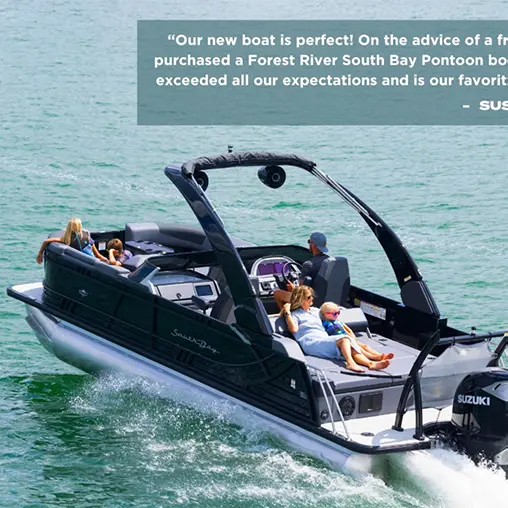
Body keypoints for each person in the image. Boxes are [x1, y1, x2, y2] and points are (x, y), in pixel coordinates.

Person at [281, 286, 390, 372]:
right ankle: (350, 363)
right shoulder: (295, 315)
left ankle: (370, 363)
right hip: (311, 343)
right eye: (309, 297)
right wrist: (287, 312)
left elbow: (329, 315)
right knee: (344, 339)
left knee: (350, 344)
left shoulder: (315, 311)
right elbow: (294, 329)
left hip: (324, 339)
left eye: (311, 296)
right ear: (301, 300)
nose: (312, 299)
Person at [319, 301, 394, 363]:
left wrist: (353, 337)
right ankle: (374, 357)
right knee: (358, 348)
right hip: (340, 340)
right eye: (334, 314)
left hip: (348, 337)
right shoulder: (325, 324)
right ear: (325, 314)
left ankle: (380, 355)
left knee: (365, 346)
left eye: (338, 313)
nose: (337, 315)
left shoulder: (338, 322)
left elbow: (347, 329)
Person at [274, 231, 330, 309]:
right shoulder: (330, 262)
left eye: (309, 242)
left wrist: (292, 288)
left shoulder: (308, 265)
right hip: (327, 298)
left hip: (309, 300)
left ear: (313, 245)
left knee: (277, 293)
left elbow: (301, 291)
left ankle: (285, 315)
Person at [36, 217, 108, 264]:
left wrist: (40, 254)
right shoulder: (87, 237)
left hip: (81, 263)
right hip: (93, 261)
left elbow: (46, 241)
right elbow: (97, 255)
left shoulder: (67, 239)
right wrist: (106, 260)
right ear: (80, 227)